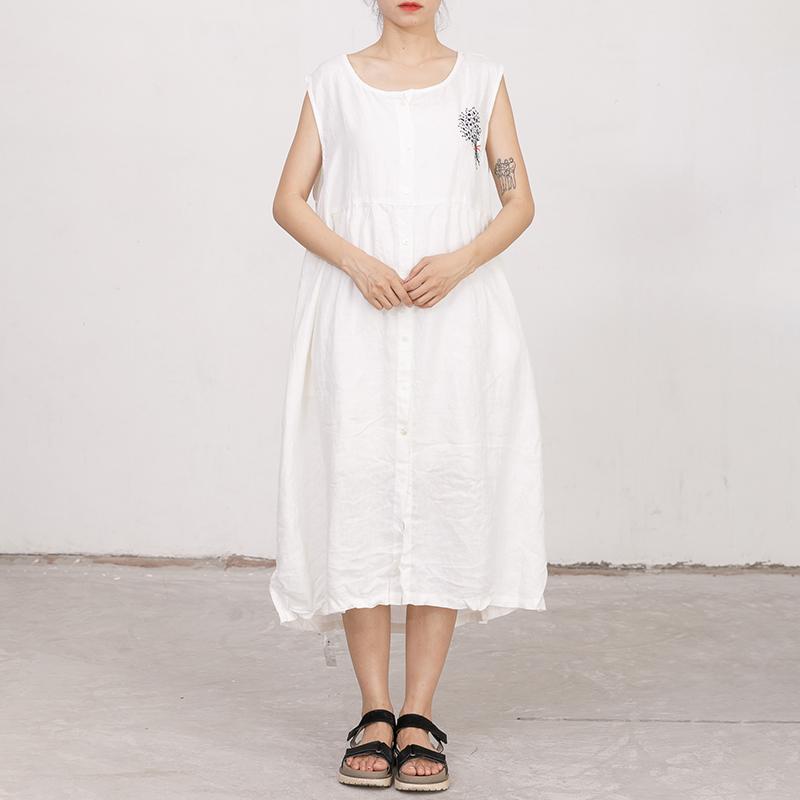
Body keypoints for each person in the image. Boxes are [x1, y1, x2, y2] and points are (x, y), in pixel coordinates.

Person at [270, 0, 547, 791]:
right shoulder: (333, 83)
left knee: (444, 488)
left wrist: (461, 261)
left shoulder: (480, 84)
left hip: (453, 319)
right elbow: (289, 199)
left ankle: (419, 713)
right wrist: (356, 262)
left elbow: (519, 201)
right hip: (357, 315)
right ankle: (374, 709)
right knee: (359, 489)